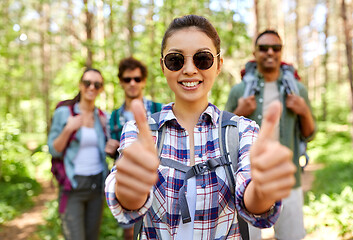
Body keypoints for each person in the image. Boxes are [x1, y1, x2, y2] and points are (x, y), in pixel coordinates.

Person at [105, 15, 296, 240]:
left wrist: (264, 188)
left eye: (202, 59)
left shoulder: (242, 132)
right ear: (162, 66)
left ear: (218, 65)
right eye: (175, 60)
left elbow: (254, 204)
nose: (189, 69)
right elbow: (129, 203)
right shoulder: (140, 131)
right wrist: (132, 186)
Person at [225, 30, 316, 240]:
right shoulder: (239, 91)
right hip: (247, 183)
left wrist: (303, 111)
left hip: (288, 181)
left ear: (281, 52)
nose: (269, 52)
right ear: (254, 52)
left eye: (275, 48)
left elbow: (309, 134)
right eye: (263, 48)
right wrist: (238, 112)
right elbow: (222, 136)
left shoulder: (297, 90)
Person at [48, 68, 109, 240]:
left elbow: (106, 149)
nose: (91, 87)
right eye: (87, 83)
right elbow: (54, 149)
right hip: (73, 187)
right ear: (80, 85)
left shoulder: (102, 117)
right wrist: (69, 128)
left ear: (101, 89)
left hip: (96, 186)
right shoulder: (64, 113)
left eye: (97, 84)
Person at [105, 57, 162, 239]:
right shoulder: (113, 117)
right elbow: (112, 149)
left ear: (144, 81)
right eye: (127, 79)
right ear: (121, 82)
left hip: (156, 181)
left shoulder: (158, 109)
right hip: (126, 182)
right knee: (129, 230)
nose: (132, 83)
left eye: (137, 79)